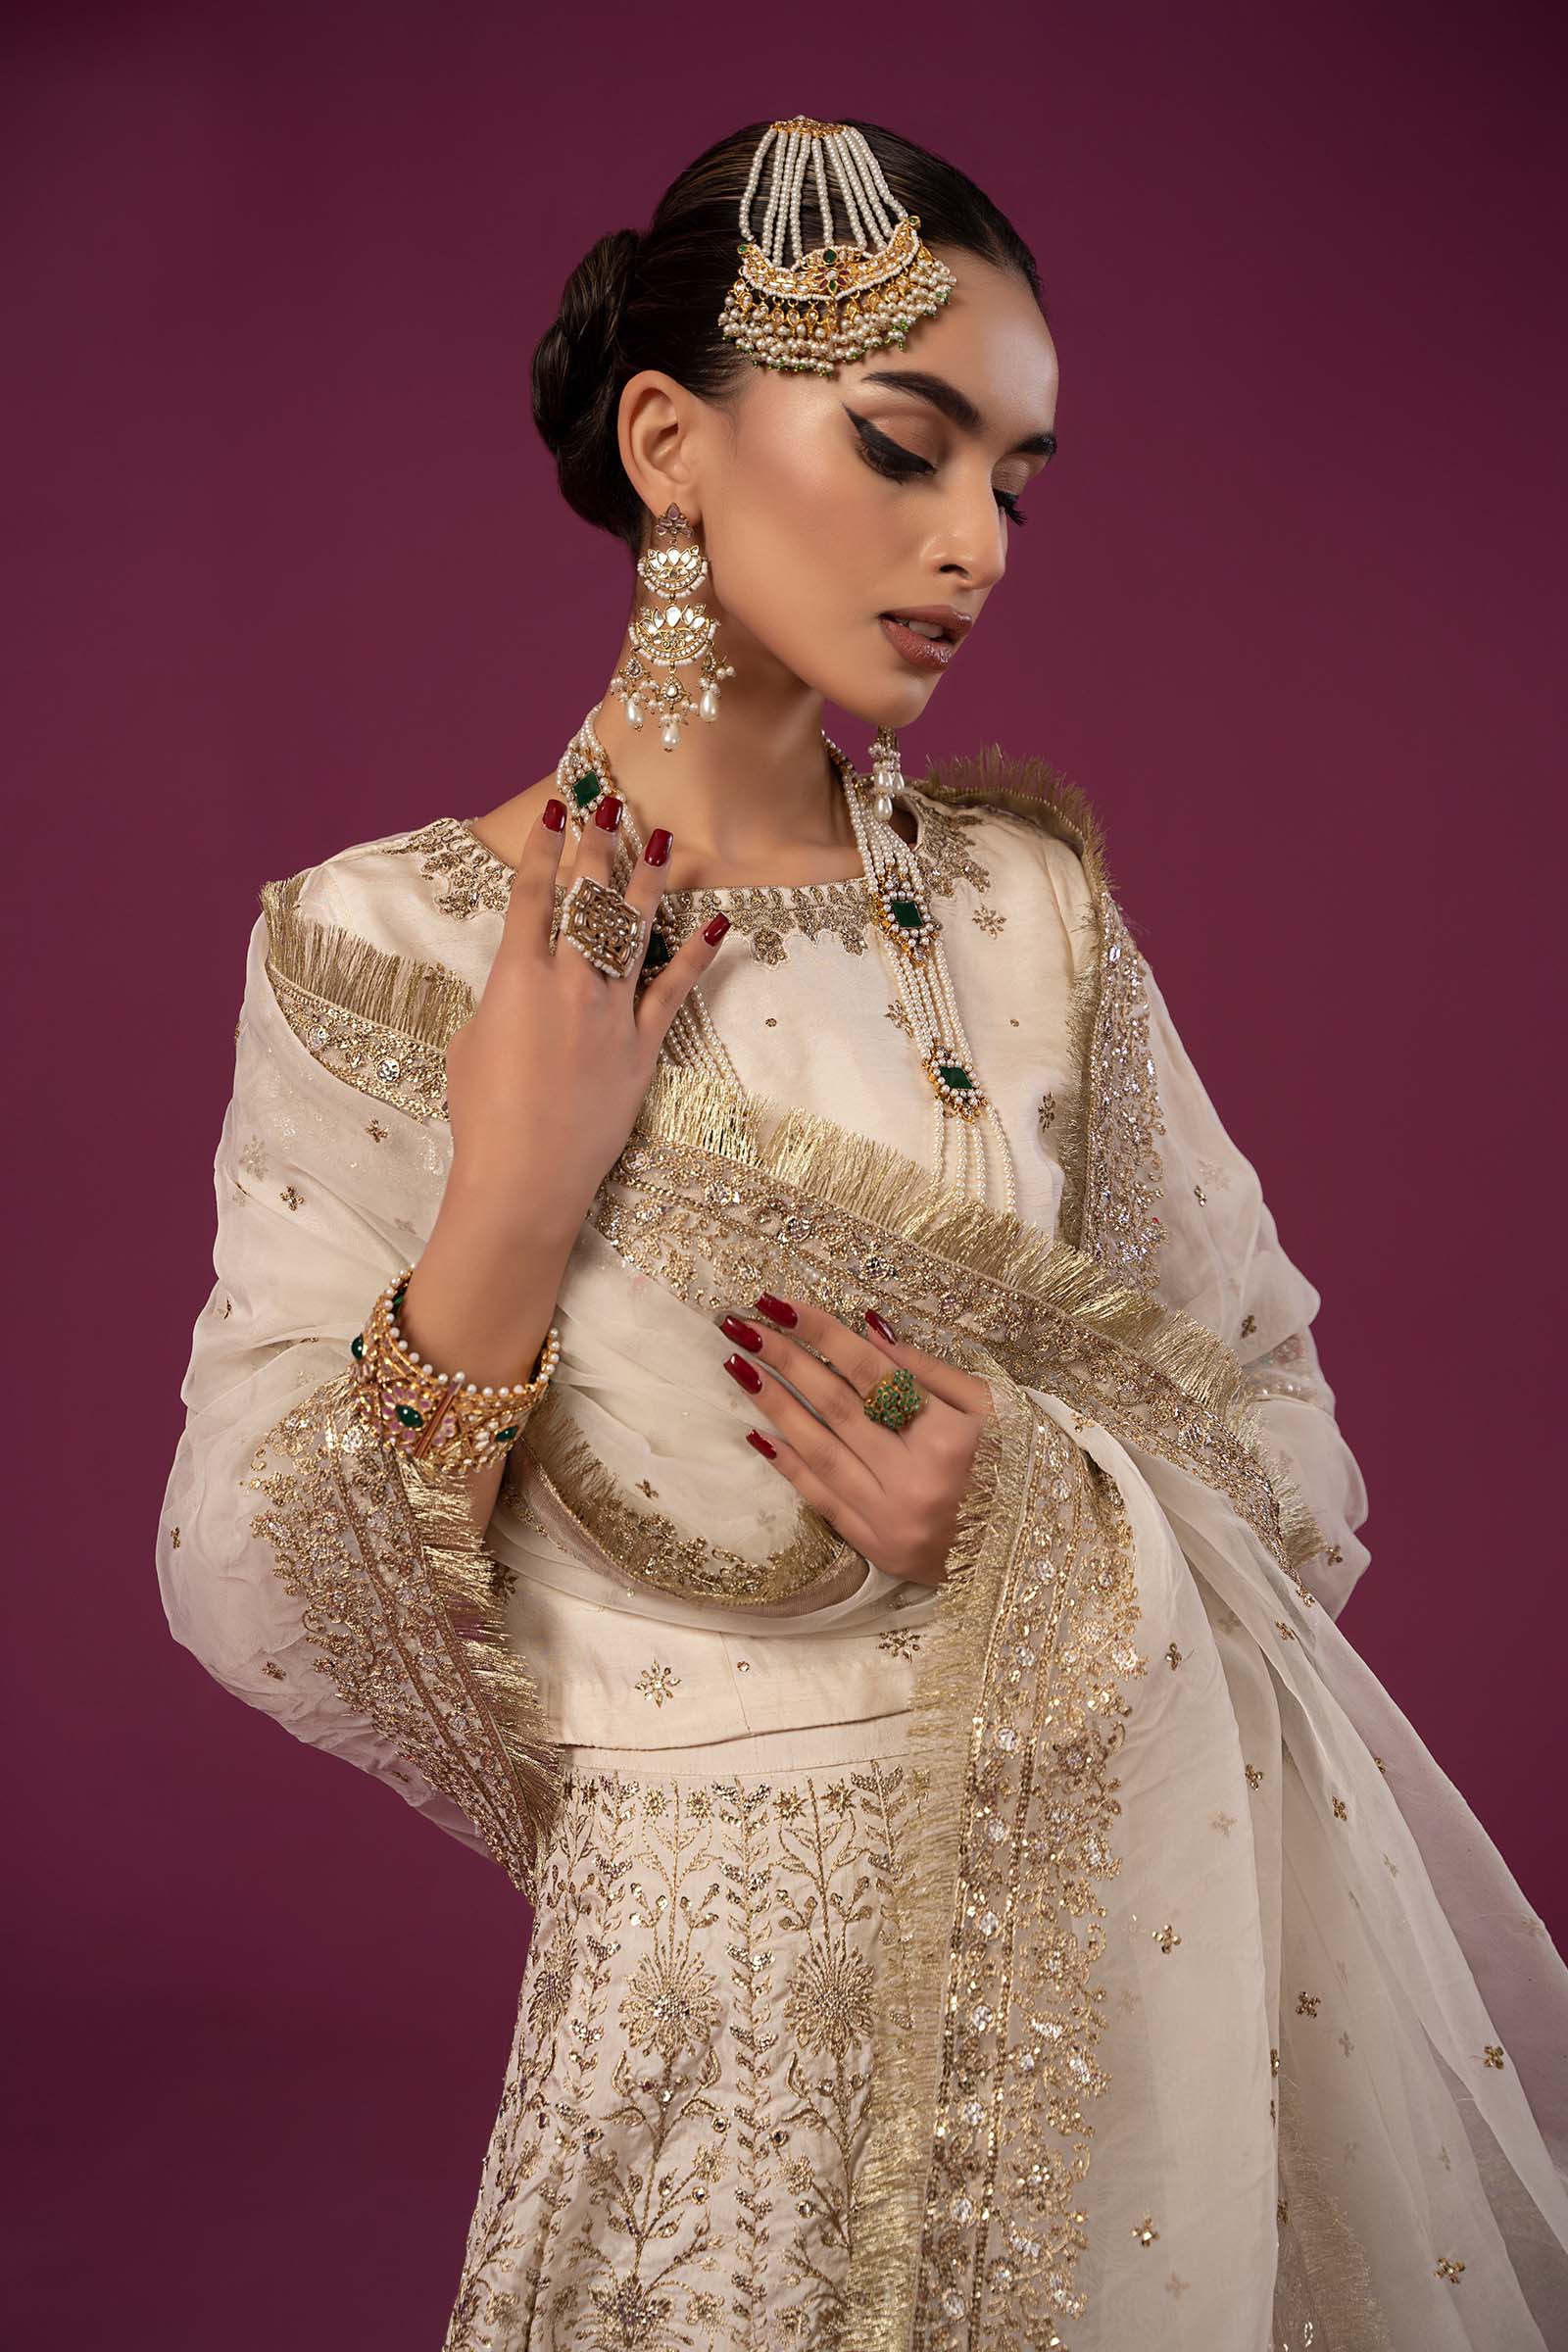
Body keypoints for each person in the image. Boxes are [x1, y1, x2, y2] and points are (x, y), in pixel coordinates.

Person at [156, 115, 1568, 2351]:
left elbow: (1290, 1462)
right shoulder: (381, 952)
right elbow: (252, 1584)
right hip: (691, 2052)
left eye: (1013, 483)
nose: (972, 543)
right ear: (668, 446)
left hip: (1104, 1995)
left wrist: (1039, 1504)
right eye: (906, 449)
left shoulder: (1027, 919)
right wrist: (514, 1197)